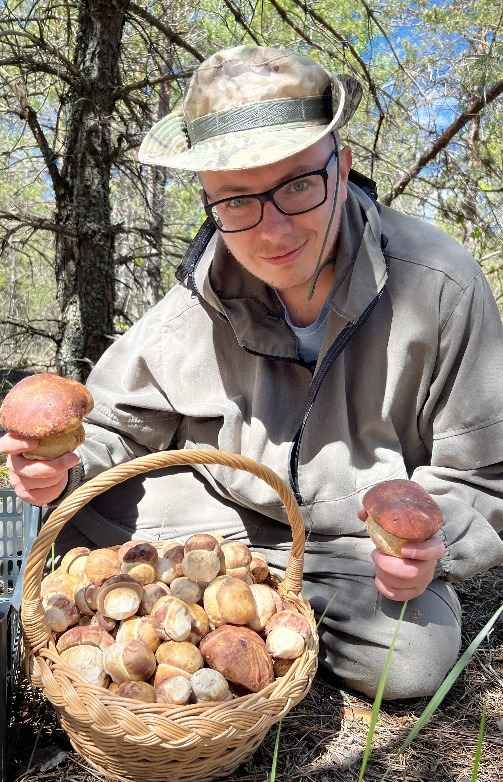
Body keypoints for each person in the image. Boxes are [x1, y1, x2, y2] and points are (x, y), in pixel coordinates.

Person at [2, 45, 503, 701]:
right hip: (209, 515)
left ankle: (258, 610)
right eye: (236, 201)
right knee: (38, 523)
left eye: (297, 184)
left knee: (409, 662)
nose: (272, 230)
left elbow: (479, 476)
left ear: (342, 166)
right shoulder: (193, 302)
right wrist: (58, 467)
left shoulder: (437, 288)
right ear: (209, 199)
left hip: (348, 549)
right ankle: (228, 605)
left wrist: (427, 547)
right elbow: (113, 427)